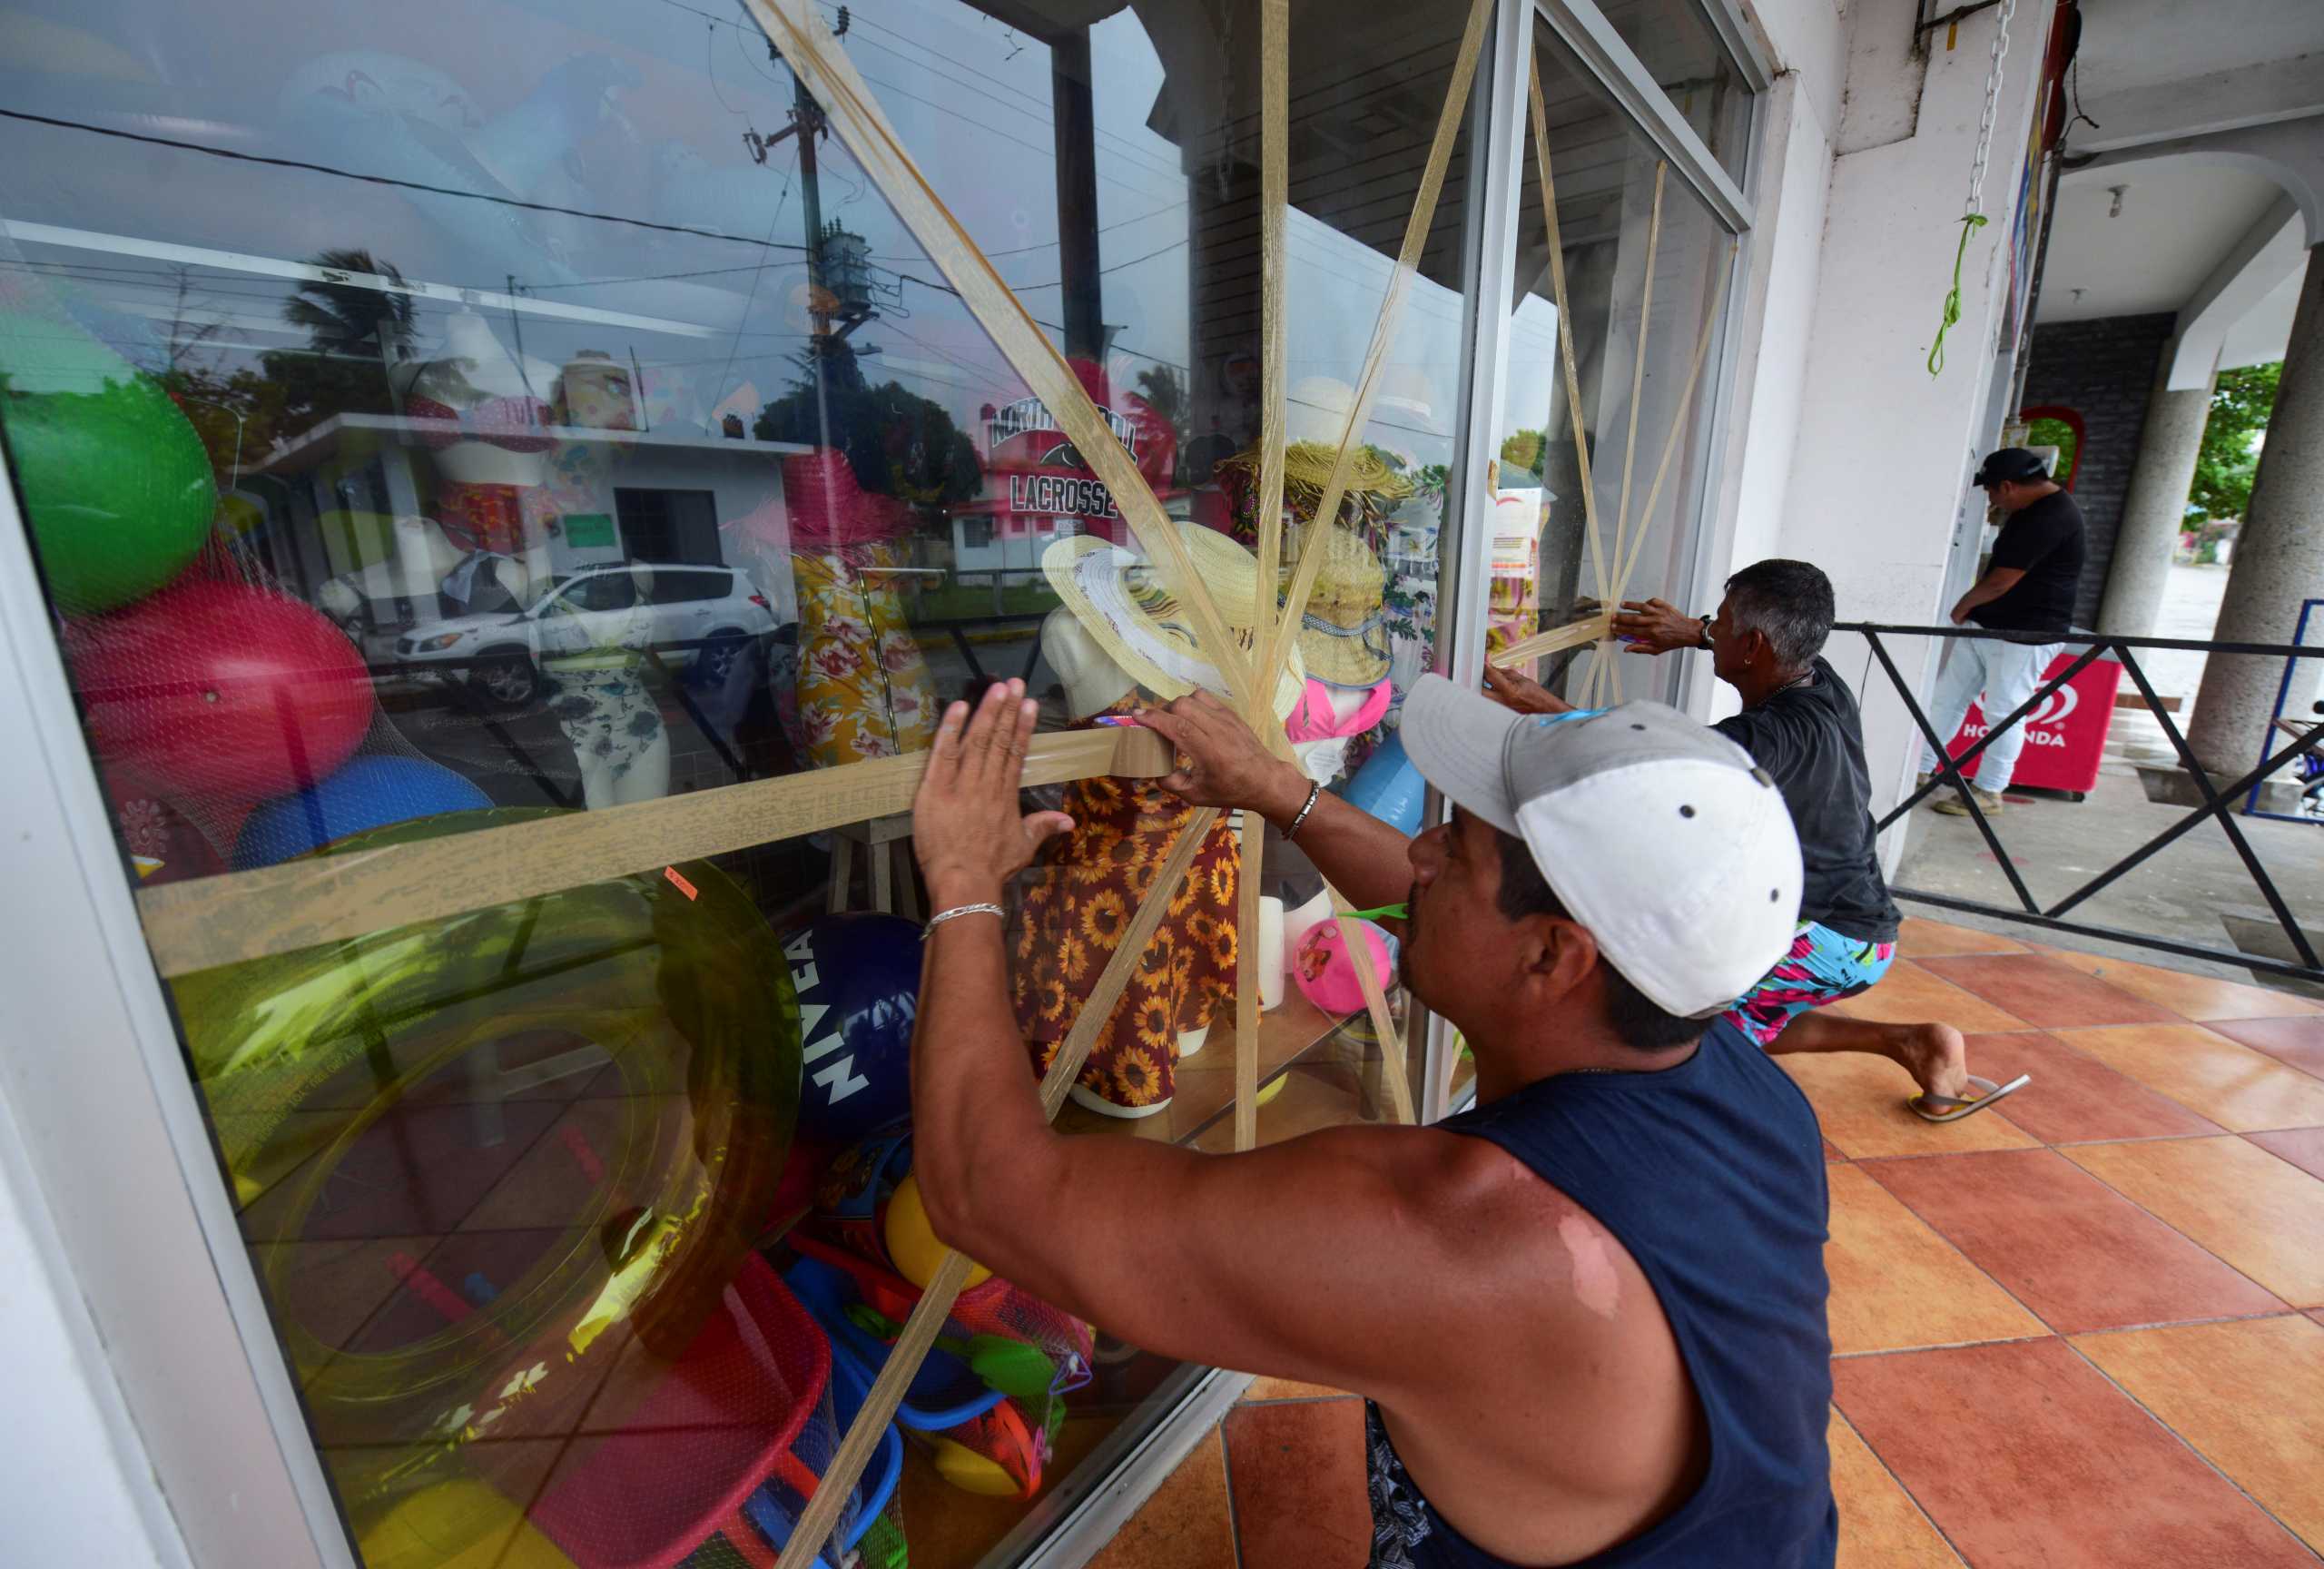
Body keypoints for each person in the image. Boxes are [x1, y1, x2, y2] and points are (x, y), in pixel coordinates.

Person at [910, 675, 1837, 1568]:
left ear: (1556, 954)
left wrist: (962, 884)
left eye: (1456, 845)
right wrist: (1277, 790)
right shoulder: (1741, 1084)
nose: (1418, 853)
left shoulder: (1465, 1240)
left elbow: (986, 1193)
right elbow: (1459, 915)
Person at [1484, 560, 2024, 1122]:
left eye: (1721, 622)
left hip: (1820, 935)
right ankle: (1912, 1043)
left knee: (1668, 1023)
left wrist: (1540, 705)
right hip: (1854, 928)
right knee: (1745, 1014)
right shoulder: (1822, 682)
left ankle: (1683, 1134)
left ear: (1754, 647)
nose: (1712, 628)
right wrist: (1694, 632)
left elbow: (1643, 758)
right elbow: (1751, 653)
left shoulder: (1764, 738)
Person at [1917, 447, 2086, 815]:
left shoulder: (2052, 516)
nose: (1991, 500)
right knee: (1949, 697)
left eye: (1991, 492)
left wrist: (1963, 605)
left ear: (2007, 486)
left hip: (2027, 633)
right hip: (1990, 624)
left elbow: (2001, 581)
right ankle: (1920, 767)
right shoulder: (2030, 511)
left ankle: (1989, 790)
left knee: (2004, 712)